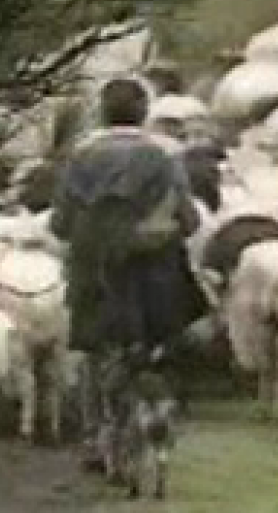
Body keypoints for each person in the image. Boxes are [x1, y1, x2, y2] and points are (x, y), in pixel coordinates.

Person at [49, 76, 208, 474]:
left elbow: (61, 224)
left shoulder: (80, 158)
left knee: (95, 353)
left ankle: (95, 437)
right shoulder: (164, 157)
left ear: (102, 112)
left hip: (96, 272)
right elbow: (189, 219)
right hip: (153, 274)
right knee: (157, 350)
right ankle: (150, 426)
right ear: (145, 112)